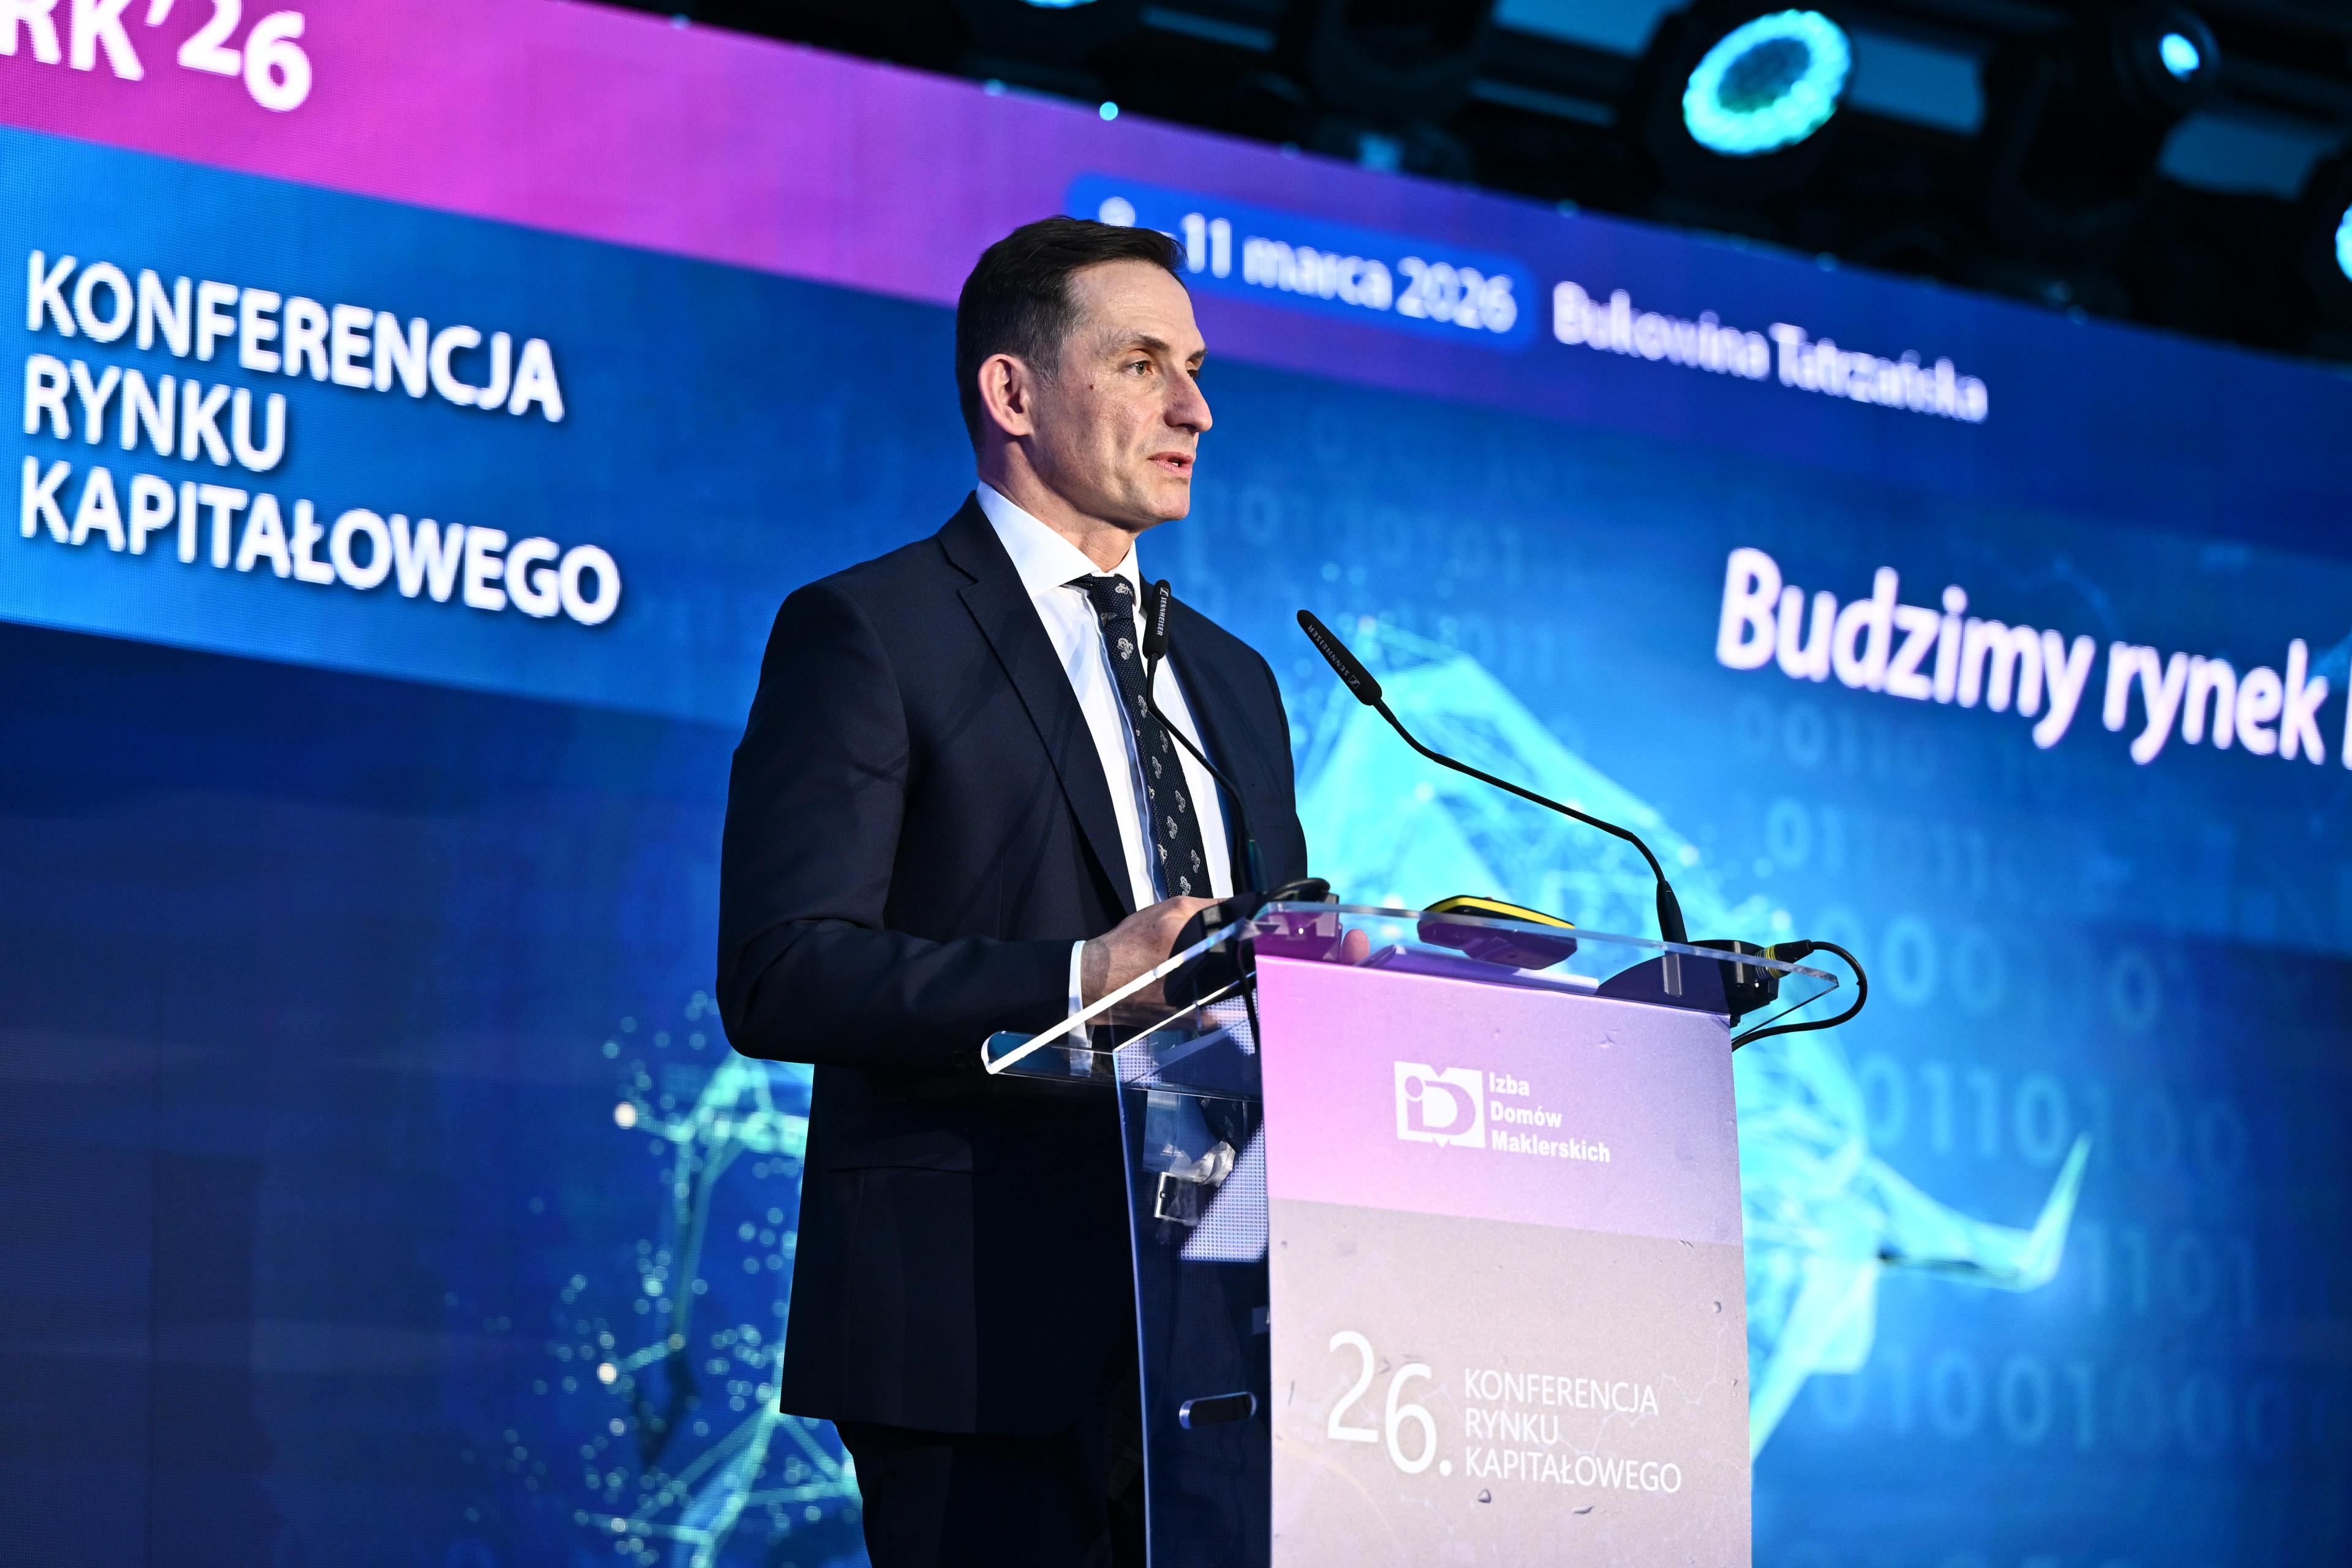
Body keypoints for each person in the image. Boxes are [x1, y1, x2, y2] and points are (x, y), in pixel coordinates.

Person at [717, 217, 1308, 1567]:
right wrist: (1080, 980)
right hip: (979, 1324)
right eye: (1144, 365)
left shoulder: (1236, 681)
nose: (1196, 410)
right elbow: (781, 967)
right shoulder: (872, 630)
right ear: (1013, 392)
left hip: (1229, 1330)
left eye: (1197, 368)